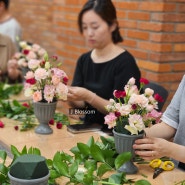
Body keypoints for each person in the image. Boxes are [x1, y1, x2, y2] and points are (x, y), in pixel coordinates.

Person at [67, 0, 141, 133]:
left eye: (95, 27)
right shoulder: (84, 60)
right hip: (87, 130)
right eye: (84, 27)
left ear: (112, 25)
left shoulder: (125, 63)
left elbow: (122, 112)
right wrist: (66, 95)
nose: (89, 33)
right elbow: (83, 108)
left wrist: (89, 96)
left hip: (114, 135)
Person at [133, 75, 185, 171]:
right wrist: (136, 134)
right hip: (178, 170)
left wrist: (171, 150)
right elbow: (170, 124)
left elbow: (170, 149)